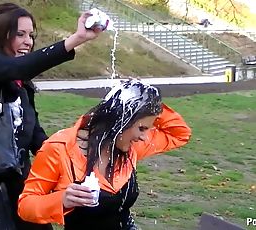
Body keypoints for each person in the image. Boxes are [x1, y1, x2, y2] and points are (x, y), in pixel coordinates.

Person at [0, 2, 102, 230]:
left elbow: (34, 134)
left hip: (22, 183)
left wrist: (70, 164)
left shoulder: (21, 83)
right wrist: (77, 38)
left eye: (31, 35)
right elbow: (17, 68)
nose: (28, 42)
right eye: (20, 34)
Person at [17, 80, 192, 229]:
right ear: (121, 120)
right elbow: (25, 206)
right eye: (141, 128)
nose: (144, 137)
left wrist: (146, 99)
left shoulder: (130, 146)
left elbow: (179, 134)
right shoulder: (59, 148)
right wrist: (62, 200)